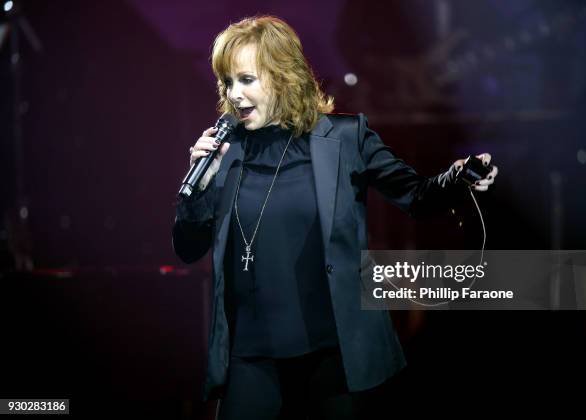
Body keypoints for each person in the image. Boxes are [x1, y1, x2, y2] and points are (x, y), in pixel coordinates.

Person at [172, 15, 498, 420]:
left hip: (331, 353)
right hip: (251, 356)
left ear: (283, 76)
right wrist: (199, 186)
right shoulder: (227, 153)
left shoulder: (343, 139)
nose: (234, 95)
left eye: (246, 79)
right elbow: (187, 249)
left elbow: (415, 195)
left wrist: (459, 177)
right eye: (227, 82)